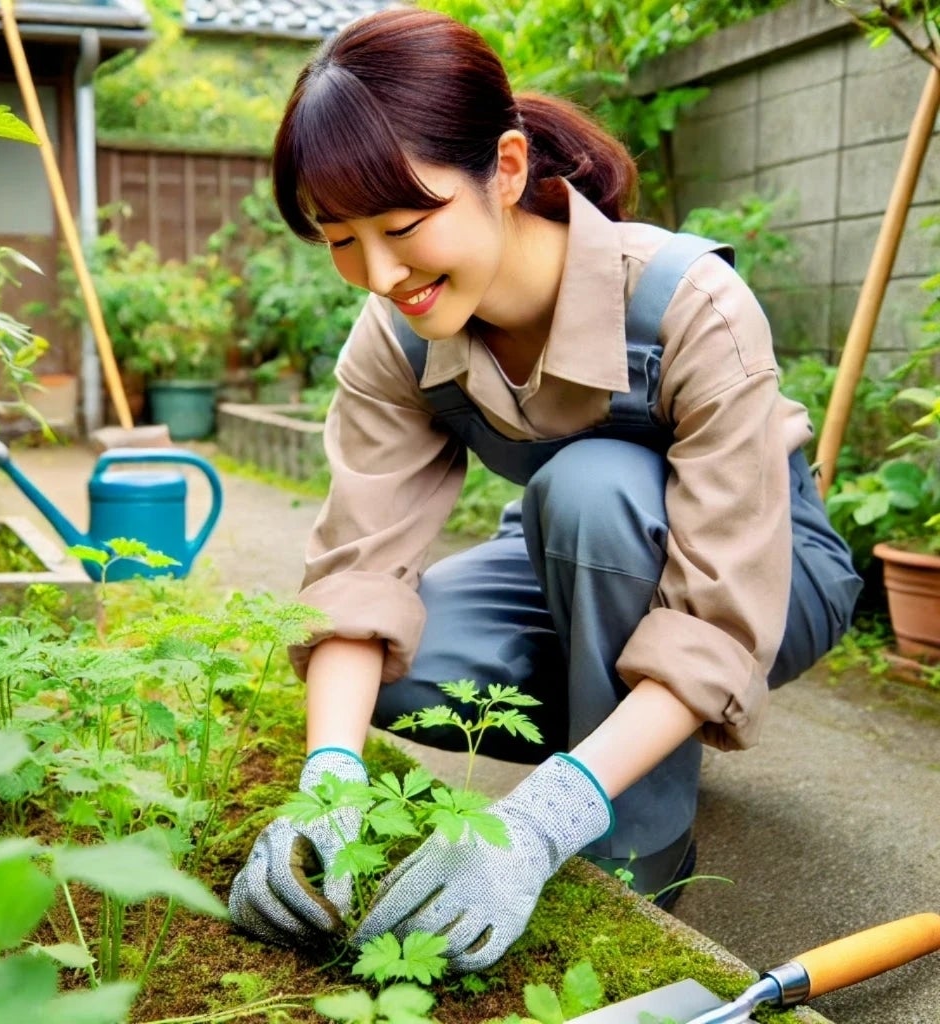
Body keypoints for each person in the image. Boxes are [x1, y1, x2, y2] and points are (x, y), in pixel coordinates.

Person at [228, 7, 862, 973]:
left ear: (510, 169)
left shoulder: (688, 302)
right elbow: (359, 569)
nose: (381, 274)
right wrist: (329, 788)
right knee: (386, 666)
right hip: (570, 565)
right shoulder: (396, 334)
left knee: (593, 484)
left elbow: (718, 617)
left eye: (403, 225)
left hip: (766, 584)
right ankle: (610, 746)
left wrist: (533, 824)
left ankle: (636, 847)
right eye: (340, 238)